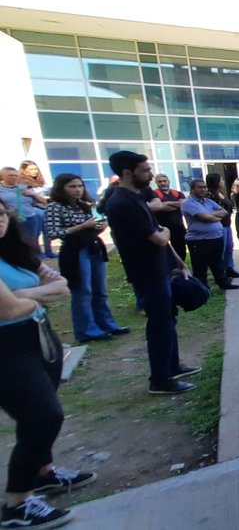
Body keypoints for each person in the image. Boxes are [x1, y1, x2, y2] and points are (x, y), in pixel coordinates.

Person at [0, 217, 97, 529]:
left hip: (38, 336)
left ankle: (42, 473)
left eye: (0, 214)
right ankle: (16, 505)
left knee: (36, 414)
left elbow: (62, 287)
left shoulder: (14, 251)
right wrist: (34, 296)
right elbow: (9, 311)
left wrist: (22, 296)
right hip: (7, 348)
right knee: (43, 416)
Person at [103, 151, 199, 394]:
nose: (151, 174)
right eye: (145, 170)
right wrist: (166, 231)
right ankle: (160, 379)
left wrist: (177, 261)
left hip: (160, 268)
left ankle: (173, 365)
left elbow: (159, 236)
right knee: (159, 325)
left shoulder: (136, 197)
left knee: (168, 319)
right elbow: (158, 237)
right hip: (147, 273)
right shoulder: (123, 202)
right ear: (127, 172)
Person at [44, 173, 129, 343]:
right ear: (61, 188)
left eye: (80, 186)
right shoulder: (54, 207)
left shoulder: (84, 205)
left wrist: (99, 227)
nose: (77, 190)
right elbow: (53, 233)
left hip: (94, 247)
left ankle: (107, 325)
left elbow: (91, 227)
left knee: (100, 290)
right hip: (74, 251)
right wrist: (82, 226)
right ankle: (86, 330)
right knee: (83, 290)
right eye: (72, 186)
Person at [182, 180, 239, 290]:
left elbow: (224, 212)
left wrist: (209, 215)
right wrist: (214, 217)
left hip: (216, 237)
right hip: (199, 240)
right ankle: (203, 289)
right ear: (192, 189)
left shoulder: (208, 201)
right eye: (200, 187)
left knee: (217, 264)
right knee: (200, 267)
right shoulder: (188, 203)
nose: (203, 189)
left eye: (205, 187)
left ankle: (223, 283)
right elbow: (204, 218)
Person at [0, 167, 49, 260]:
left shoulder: (24, 187)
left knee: (32, 239)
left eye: (16, 175)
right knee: (15, 239)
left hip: (30, 217)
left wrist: (33, 194)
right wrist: (7, 211)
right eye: (11, 175)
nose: (14, 177)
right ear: (3, 176)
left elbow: (44, 202)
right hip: (12, 219)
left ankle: (33, 257)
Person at [204, 173, 239, 279]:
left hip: (226, 224)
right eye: (221, 180)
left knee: (229, 247)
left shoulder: (220, 193)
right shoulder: (209, 195)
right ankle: (221, 272)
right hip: (218, 225)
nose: (223, 181)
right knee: (221, 249)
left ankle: (229, 268)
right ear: (216, 181)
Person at [145, 174, 188, 261]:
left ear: (168, 181)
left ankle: (180, 267)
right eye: (160, 181)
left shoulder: (178, 193)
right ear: (156, 182)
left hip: (178, 226)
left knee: (180, 249)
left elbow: (183, 205)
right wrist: (175, 204)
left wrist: (166, 203)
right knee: (162, 250)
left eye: (164, 181)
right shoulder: (153, 194)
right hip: (160, 227)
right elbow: (158, 207)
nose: (163, 183)